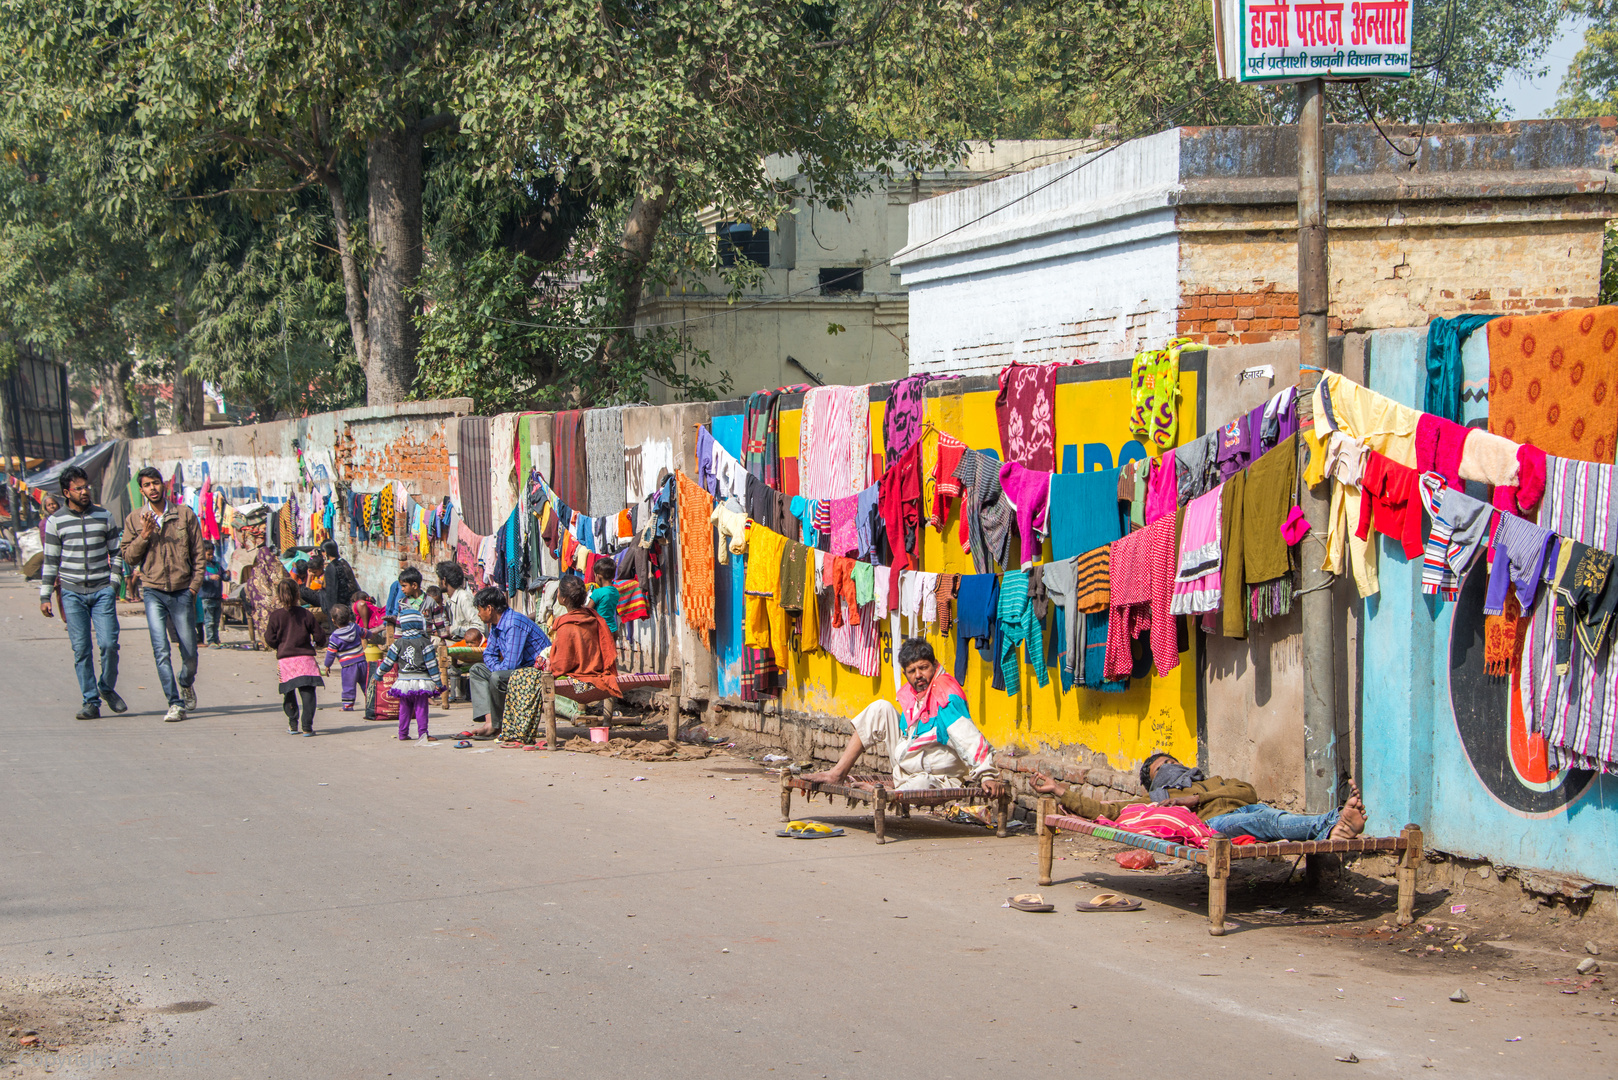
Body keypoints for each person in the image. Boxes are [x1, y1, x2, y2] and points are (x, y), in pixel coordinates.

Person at [804, 638, 1006, 797]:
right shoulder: (912, 693)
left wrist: (987, 775)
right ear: (905, 673)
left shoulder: (945, 693)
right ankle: (838, 773)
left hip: (938, 776)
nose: (918, 675)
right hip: (908, 762)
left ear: (934, 665)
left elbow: (968, 736)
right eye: (912, 671)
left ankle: (891, 793)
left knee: (922, 784)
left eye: (923, 668)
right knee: (880, 708)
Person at [1028, 752, 1367, 843]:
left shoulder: (1212, 781)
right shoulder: (1157, 801)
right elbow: (1104, 810)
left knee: (1266, 814)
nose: (1172, 767)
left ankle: (1333, 828)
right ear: (1153, 781)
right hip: (1213, 826)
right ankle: (1333, 821)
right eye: (1163, 767)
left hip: (1244, 808)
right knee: (1266, 820)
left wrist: (1195, 798)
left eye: (1173, 762)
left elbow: (1247, 791)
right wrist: (1058, 790)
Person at [39, 465, 127, 720]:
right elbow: (51, 562)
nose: (84, 491)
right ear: (67, 492)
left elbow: (116, 554)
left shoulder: (104, 516)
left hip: (102, 592)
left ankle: (106, 687)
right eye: (78, 488)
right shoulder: (56, 522)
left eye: (86, 486)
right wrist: (45, 596)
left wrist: (113, 585)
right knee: (81, 649)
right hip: (72, 593)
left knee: (109, 644)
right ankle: (90, 701)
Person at [119, 466, 204, 722]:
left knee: (189, 651)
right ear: (142, 489)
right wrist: (144, 536)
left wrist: (193, 587)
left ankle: (185, 682)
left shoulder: (184, 514)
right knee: (161, 649)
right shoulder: (135, 519)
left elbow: (199, 554)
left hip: (182, 591)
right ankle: (174, 702)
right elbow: (128, 556)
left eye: (155, 483)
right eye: (146, 485)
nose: (152, 488)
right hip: (153, 591)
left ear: (163, 485)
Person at [463, 586, 549, 739]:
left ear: (489, 609)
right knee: (477, 670)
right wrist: (496, 669)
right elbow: (489, 653)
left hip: (535, 671)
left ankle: (501, 724)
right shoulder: (496, 625)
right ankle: (491, 723)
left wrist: (496, 671)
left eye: (480, 609)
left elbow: (511, 664)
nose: (479, 613)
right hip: (517, 668)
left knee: (497, 677)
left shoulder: (513, 623)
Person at [262, 577, 328, 736]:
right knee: (308, 695)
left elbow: (269, 638)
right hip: (305, 660)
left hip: (286, 661)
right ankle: (307, 727)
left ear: (278, 595)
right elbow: (320, 637)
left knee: (289, 693)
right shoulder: (306, 614)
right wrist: (317, 643)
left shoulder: (276, 616)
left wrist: (279, 645)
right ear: (298, 595)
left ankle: (293, 725)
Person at [548, 574, 623, 698]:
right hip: (598, 671)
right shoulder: (594, 618)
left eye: (558, 592)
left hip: (578, 680)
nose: (557, 595)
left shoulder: (566, 626)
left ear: (564, 598)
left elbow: (561, 665)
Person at [376, 610, 443, 741]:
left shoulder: (398, 643)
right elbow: (432, 666)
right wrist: (438, 683)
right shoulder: (425, 643)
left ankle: (402, 734)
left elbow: (387, 662)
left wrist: (378, 675)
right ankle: (423, 734)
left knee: (404, 709)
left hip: (403, 683)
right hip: (421, 682)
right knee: (421, 709)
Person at [240, 523, 289, 647]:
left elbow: (249, 589)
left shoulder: (256, 572)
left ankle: (267, 642)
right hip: (282, 606)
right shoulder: (279, 568)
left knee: (259, 611)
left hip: (263, 608)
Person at [322, 604, 370, 710]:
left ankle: (348, 705)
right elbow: (365, 633)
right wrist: (371, 634)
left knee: (348, 686)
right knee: (366, 683)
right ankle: (372, 702)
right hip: (362, 661)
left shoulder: (334, 637)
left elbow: (331, 653)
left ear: (333, 620)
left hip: (348, 666)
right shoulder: (355, 627)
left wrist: (327, 665)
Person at [197, 542, 226, 648]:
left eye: (212, 554)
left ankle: (216, 639)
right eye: (208, 554)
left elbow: (223, 576)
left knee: (216, 621)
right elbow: (199, 578)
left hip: (217, 597)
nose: (211, 556)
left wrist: (226, 575)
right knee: (209, 621)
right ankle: (210, 641)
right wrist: (210, 578)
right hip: (206, 597)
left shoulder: (217, 565)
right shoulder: (201, 566)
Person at [319, 540, 359, 615]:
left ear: (326, 552)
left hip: (338, 607)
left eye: (322, 551)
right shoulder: (343, 562)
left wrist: (331, 612)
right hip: (348, 603)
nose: (322, 554)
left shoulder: (331, 567)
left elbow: (331, 593)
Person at [588, 562, 621, 637]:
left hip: (601, 629)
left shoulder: (597, 592)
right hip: (613, 629)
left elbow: (588, 609)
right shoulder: (615, 591)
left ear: (598, 576)